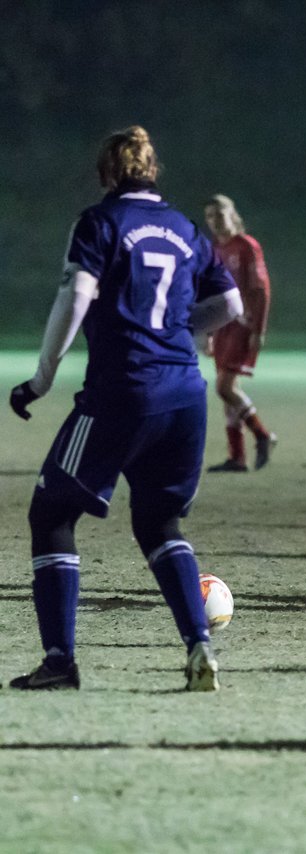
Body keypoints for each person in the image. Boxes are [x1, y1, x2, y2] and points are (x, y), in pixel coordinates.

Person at [7, 125, 241, 691]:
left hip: (123, 392)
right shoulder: (187, 229)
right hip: (186, 395)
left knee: (52, 516)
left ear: (107, 174)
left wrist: (40, 380)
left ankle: (60, 662)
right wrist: (178, 334)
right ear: (153, 171)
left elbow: (76, 295)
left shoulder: (99, 223)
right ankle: (199, 648)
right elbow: (230, 304)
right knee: (161, 522)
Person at [203, 194, 277, 472]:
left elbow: (262, 289)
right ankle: (237, 457)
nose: (216, 220)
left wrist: (259, 329)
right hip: (222, 327)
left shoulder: (247, 246)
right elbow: (211, 295)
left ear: (233, 214)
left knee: (224, 388)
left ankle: (263, 435)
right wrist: (209, 331)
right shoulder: (214, 250)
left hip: (242, 326)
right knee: (228, 390)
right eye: (210, 215)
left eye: (220, 213)